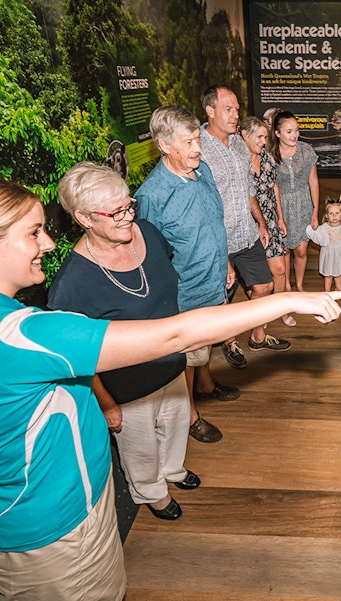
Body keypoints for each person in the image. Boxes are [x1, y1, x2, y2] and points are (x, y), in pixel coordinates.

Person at [0, 174, 341, 601]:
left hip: (10, 511)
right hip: (54, 525)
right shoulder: (21, 335)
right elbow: (174, 335)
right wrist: (287, 301)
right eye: (33, 233)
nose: (47, 243)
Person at [48, 162, 198, 521]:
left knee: (176, 428)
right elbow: (76, 359)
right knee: (141, 449)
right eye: (116, 212)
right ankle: (152, 492)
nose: (128, 216)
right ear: (84, 218)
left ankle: (173, 470)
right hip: (127, 388)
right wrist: (106, 403)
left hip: (171, 365)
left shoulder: (147, 231)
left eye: (128, 205)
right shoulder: (71, 284)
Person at [135, 105, 238, 444]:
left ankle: (206, 386)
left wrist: (224, 263)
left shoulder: (202, 170)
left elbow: (213, 223)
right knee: (187, 359)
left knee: (205, 347)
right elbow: (148, 258)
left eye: (198, 139)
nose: (198, 148)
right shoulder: (152, 196)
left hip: (213, 281)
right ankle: (190, 415)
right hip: (186, 295)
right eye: (189, 142)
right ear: (164, 145)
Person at [200, 85, 291, 363]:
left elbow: (247, 189)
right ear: (210, 111)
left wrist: (261, 223)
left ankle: (257, 337)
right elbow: (203, 204)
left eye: (237, 109)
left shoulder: (239, 143)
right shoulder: (199, 149)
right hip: (220, 239)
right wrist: (221, 252)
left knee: (263, 286)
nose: (235, 114)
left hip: (248, 233)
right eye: (229, 109)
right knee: (222, 296)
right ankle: (229, 341)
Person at [241, 116, 296, 327]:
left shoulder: (266, 157)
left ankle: (279, 310)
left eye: (265, 136)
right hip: (248, 223)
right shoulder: (237, 162)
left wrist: (280, 218)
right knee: (254, 277)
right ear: (245, 135)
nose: (264, 141)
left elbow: (274, 187)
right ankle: (260, 313)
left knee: (280, 270)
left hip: (270, 220)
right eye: (260, 137)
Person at [267, 110, 319, 292]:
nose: (295, 135)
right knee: (285, 250)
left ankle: (299, 285)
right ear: (277, 133)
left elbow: (313, 181)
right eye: (289, 131)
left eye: (296, 130)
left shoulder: (306, 150)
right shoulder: (270, 154)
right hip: (282, 208)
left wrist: (315, 211)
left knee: (302, 251)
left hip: (304, 204)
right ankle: (287, 287)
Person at [306, 195, 341, 291]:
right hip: (329, 255)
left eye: (337, 213)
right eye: (331, 213)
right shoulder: (324, 228)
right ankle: (327, 291)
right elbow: (318, 237)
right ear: (326, 215)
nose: (334, 216)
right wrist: (309, 229)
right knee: (329, 274)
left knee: (339, 272)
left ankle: (338, 287)